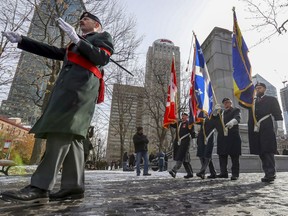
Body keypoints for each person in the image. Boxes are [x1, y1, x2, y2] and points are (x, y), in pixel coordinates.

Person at [1, 12, 114, 203]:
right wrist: (23, 40)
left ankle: (40, 186)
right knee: (74, 136)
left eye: (85, 19)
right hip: (70, 91)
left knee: (60, 131)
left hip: (79, 91)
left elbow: (101, 58)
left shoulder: (103, 37)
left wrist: (78, 40)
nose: (81, 21)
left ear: (97, 24)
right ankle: (73, 187)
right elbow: (53, 52)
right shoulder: (75, 43)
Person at [240, 82, 283, 183]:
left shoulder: (271, 99)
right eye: (257, 88)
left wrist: (280, 129)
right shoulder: (252, 102)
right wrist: (241, 90)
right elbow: (242, 102)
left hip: (266, 127)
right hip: (255, 129)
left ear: (264, 89)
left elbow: (277, 113)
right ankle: (267, 172)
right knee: (261, 151)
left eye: (260, 88)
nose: (258, 90)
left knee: (267, 150)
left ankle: (271, 173)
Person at [213, 98, 242, 180]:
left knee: (234, 156)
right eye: (224, 103)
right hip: (222, 136)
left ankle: (235, 174)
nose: (226, 104)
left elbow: (238, 118)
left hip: (233, 135)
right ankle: (223, 173)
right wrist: (215, 112)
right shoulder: (221, 113)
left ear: (231, 103)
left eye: (228, 102)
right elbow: (214, 121)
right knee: (222, 155)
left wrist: (232, 122)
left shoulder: (236, 110)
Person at [169, 112, 196, 179]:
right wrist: (170, 119)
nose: (183, 117)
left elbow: (192, 132)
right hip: (179, 142)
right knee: (183, 159)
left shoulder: (188, 123)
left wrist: (194, 141)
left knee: (182, 157)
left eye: (184, 116)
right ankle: (189, 173)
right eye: (182, 115)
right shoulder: (179, 123)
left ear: (187, 117)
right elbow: (172, 125)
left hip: (185, 142)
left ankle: (174, 170)